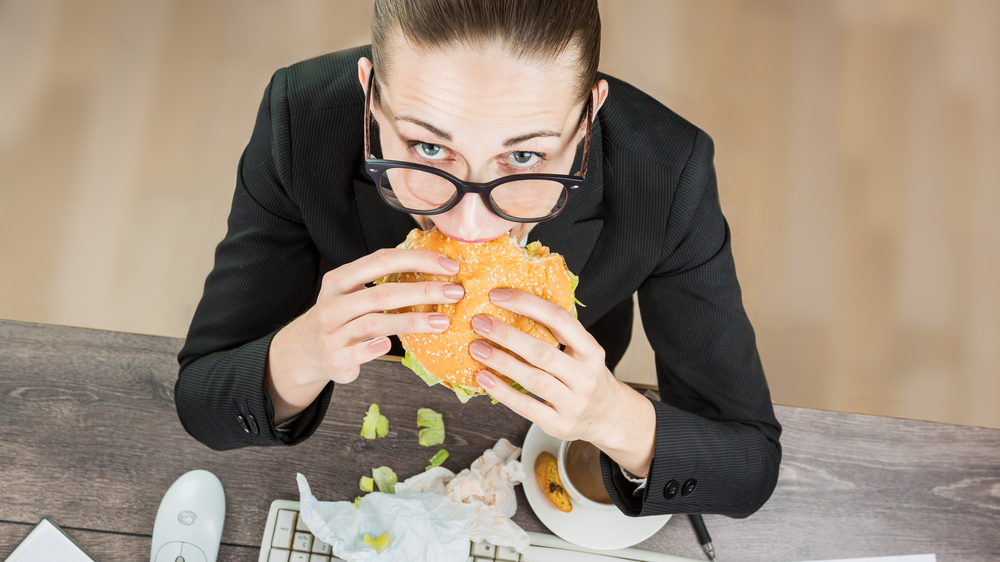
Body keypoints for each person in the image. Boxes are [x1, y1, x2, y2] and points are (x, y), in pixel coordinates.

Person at [175, 0, 781, 518]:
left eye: (524, 160)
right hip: (356, 407)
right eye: (428, 146)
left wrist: (610, 415)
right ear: (370, 97)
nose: (468, 225)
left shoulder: (668, 171)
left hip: (559, 404)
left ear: (589, 116)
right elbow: (202, 400)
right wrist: (303, 351)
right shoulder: (298, 118)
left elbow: (749, 464)